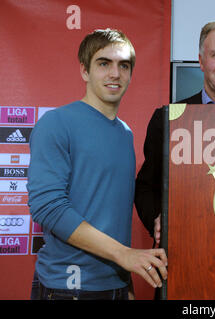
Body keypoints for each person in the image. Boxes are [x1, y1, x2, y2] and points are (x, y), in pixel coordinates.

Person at [27, 29, 167, 300]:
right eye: (104, 63)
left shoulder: (125, 133)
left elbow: (111, 215)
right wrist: (124, 255)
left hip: (114, 284)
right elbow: (48, 207)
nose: (115, 74)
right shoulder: (56, 123)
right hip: (66, 288)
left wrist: (124, 280)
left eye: (123, 65)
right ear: (84, 71)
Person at [135, 19, 215, 244]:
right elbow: (146, 187)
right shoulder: (167, 119)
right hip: (186, 251)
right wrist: (157, 219)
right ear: (201, 61)